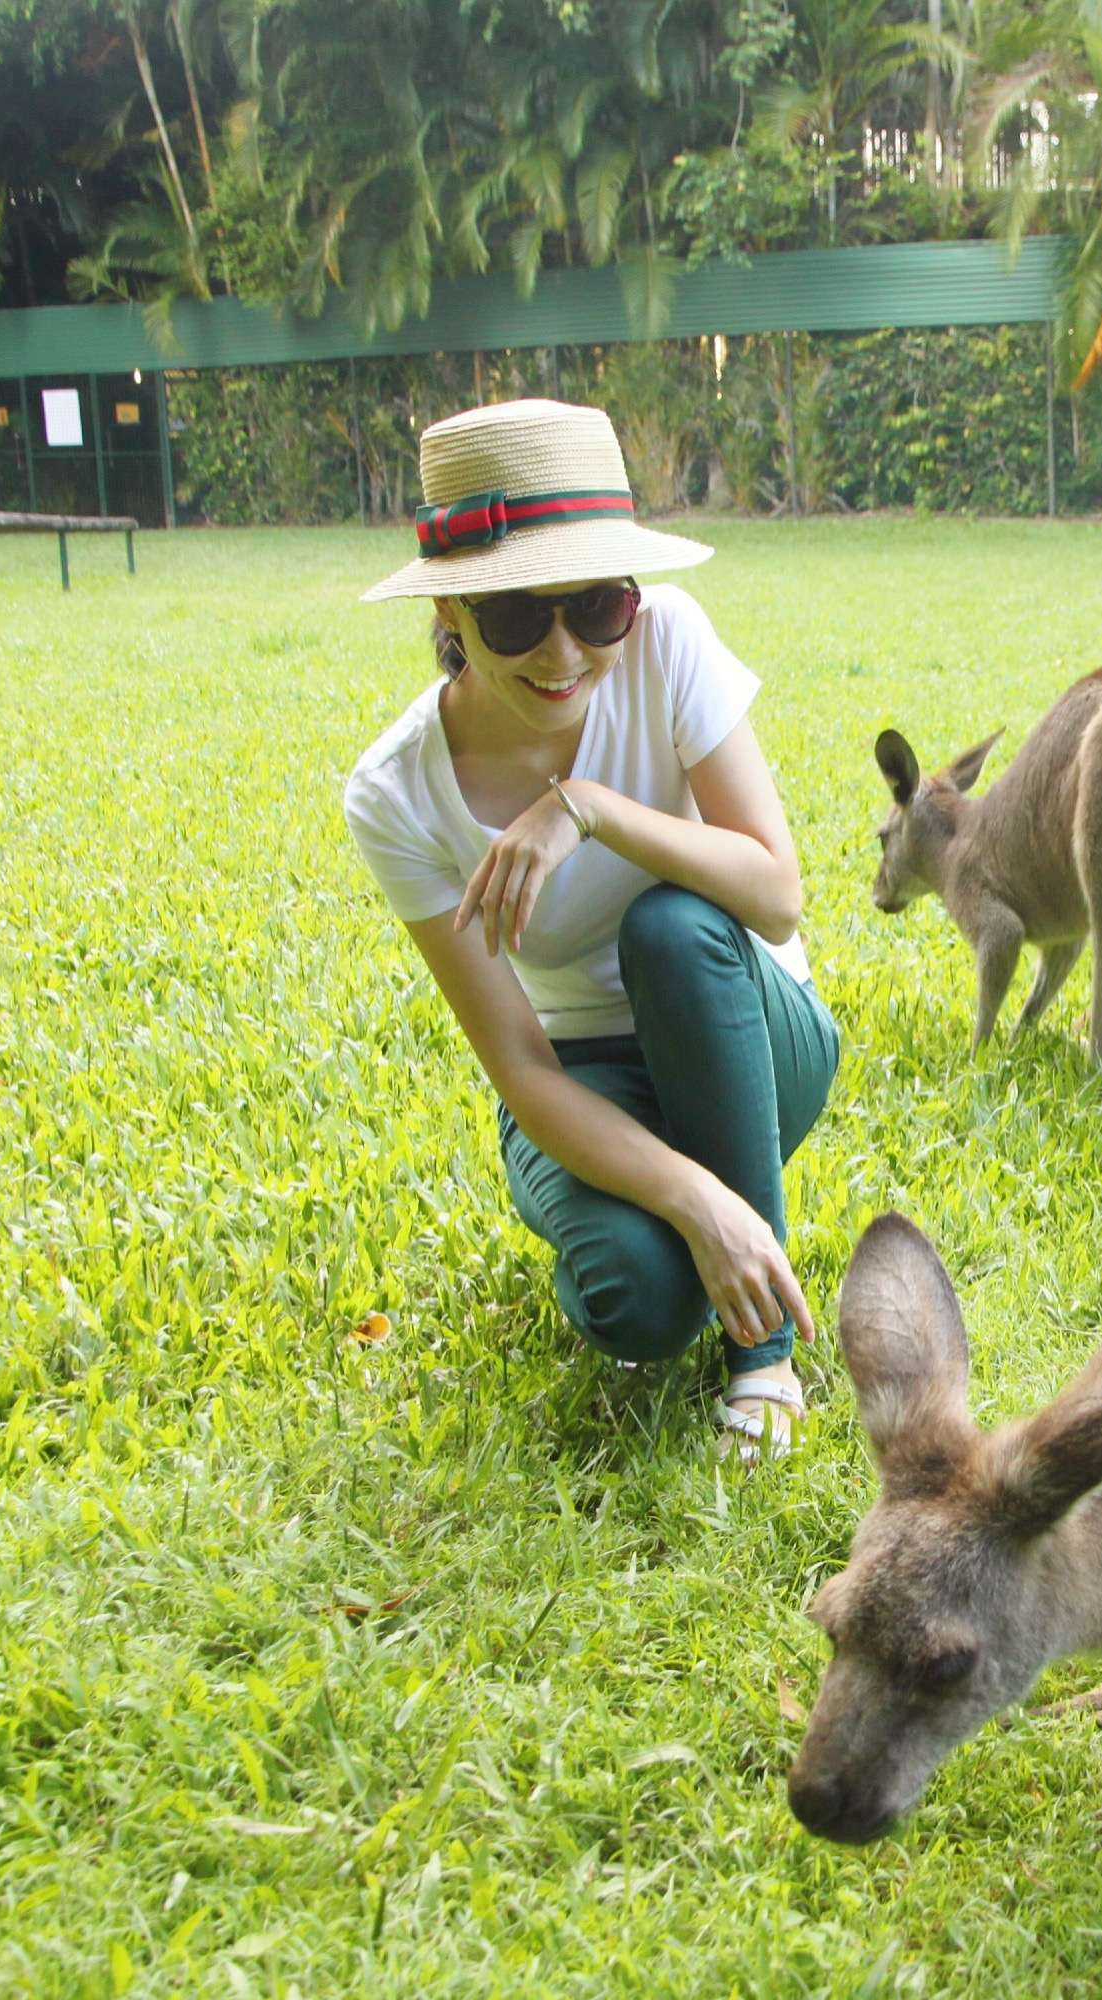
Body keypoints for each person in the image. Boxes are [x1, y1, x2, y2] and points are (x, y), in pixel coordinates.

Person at [342, 399, 837, 1463]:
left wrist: (591, 807)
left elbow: (776, 893)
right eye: (519, 618)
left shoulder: (670, 642)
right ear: (453, 615)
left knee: (670, 926)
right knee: (634, 1300)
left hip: (747, 1017)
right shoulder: (394, 794)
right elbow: (519, 1064)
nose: (564, 653)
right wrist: (698, 1201)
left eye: (597, 607)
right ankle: (713, 1211)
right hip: (585, 1068)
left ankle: (763, 1354)